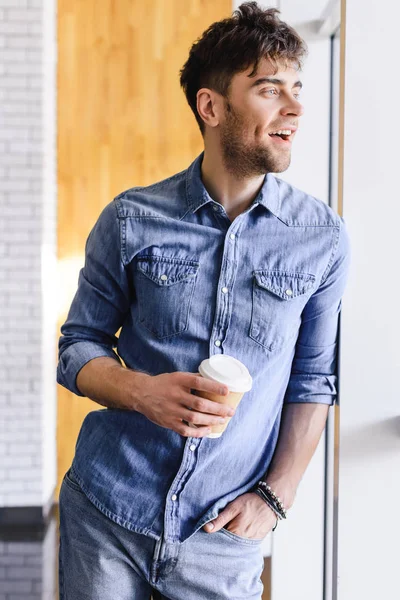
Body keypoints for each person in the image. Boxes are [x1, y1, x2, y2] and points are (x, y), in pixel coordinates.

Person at [57, 2, 351, 599]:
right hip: (106, 511)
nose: (294, 108)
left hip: (221, 537)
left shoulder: (322, 239)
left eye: (297, 88)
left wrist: (277, 497)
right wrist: (144, 392)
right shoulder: (131, 219)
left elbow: (313, 380)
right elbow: (76, 349)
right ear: (211, 106)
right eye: (270, 89)